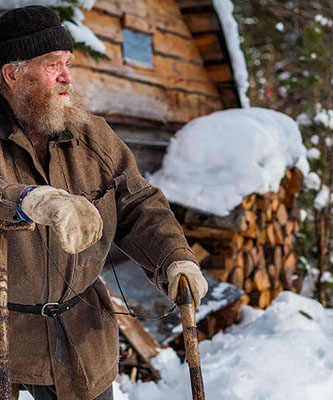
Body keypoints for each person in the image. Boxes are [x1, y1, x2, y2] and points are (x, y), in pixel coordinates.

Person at [0, 6, 208, 400]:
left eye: (68, 63)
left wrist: (174, 257)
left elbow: (137, 203)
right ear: (12, 74)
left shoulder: (91, 136)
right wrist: (29, 200)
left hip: (82, 342)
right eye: (52, 65)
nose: (66, 77)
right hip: (7, 344)